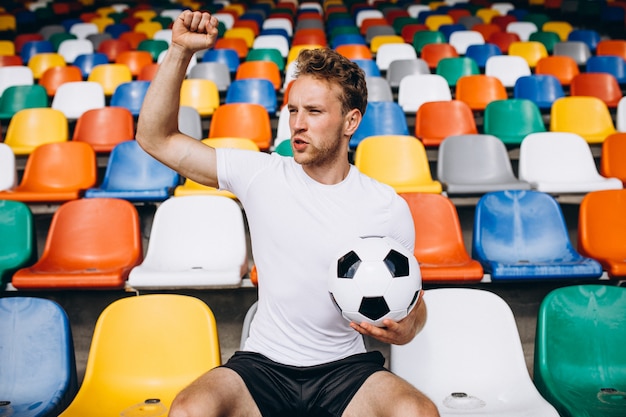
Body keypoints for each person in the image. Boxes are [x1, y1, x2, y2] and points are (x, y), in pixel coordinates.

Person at [136, 10, 439, 417]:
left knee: (418, 412)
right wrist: (178, 51)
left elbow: (413, 303)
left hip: (345, 371)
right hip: (263, 365)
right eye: (293, 110)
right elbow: (156, 138)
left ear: (351, 121)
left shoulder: (386, 207)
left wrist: (407, 328)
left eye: (313, 112)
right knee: (190, 410)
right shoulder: (260, 174)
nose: (297, 124)